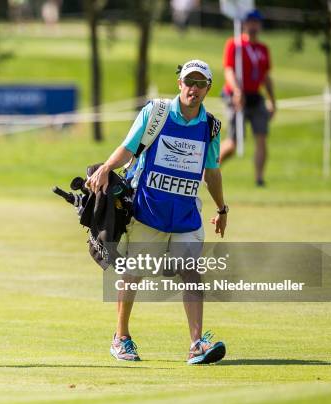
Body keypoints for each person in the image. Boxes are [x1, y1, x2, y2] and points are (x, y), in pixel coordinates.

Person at [87, 59, 228, 365]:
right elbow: (129, 146)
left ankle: (196, 345)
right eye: (189, 82)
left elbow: (212, 172)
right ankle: (121, 337)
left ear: (207, 89)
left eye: (200, 84)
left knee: (191, 272)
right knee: (133, 273)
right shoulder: (157, 112)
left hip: (185, 216)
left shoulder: (211, 126)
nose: (193, 88)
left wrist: (221, 207)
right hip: (148, 210)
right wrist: (107, 168)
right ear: (180, 84)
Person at [219, 9, 276, 187]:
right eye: (250, 22)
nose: (254, 25)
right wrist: (237, 91)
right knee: (233, 142)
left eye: (256, 22)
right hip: (235, 95)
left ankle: (259, 179)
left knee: (261, 137)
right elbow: (228, 70)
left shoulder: (263, 49)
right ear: (244, 24)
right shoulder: (234, 44)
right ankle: (209, 170)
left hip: (255, 97)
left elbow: (265, 76)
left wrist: (272, 100)